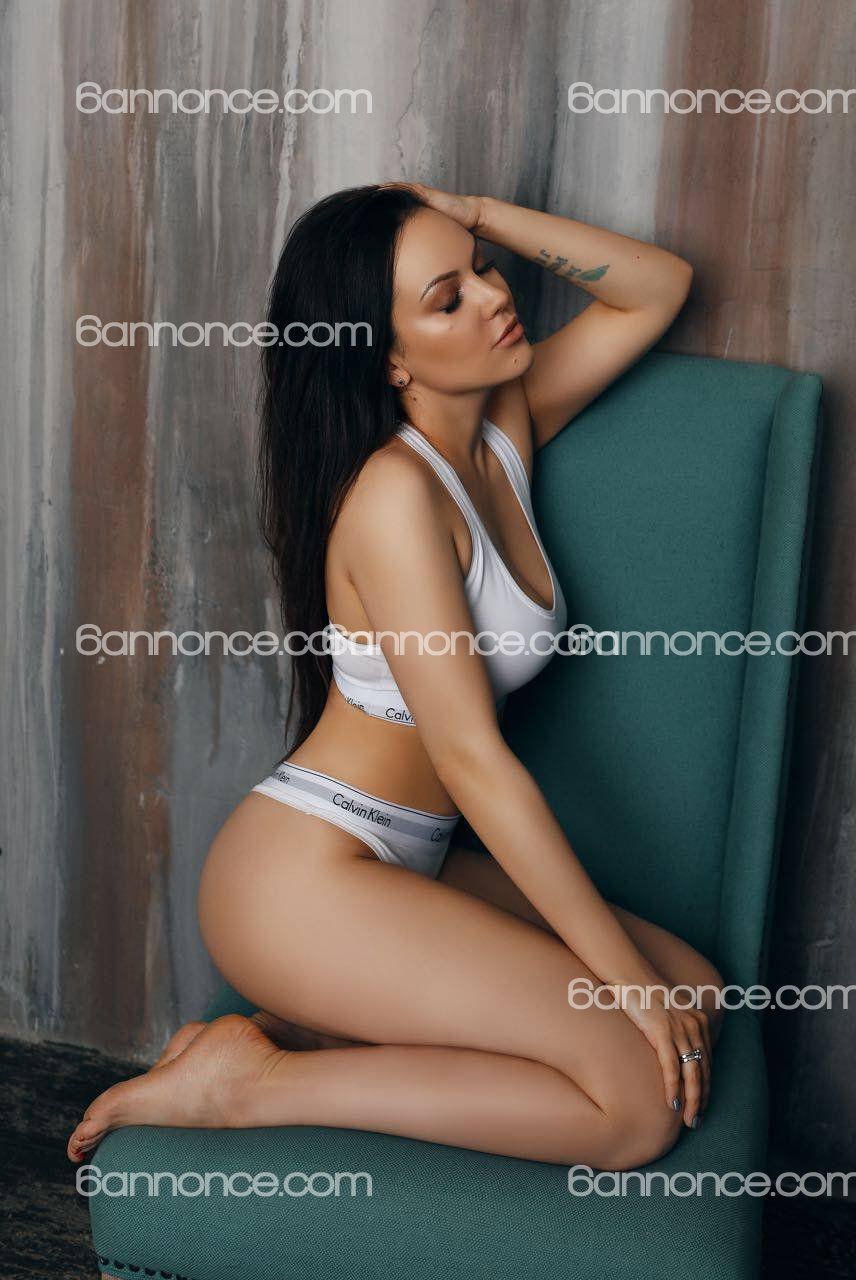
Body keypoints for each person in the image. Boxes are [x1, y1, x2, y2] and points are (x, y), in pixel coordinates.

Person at [67, 182, 723, 1170]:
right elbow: (469, 758)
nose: (495, 298)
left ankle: (315, 1027)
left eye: (484, 271)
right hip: (302, 878)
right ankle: (249, 1083)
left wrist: (473, 211)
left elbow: (657, 287)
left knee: (698, 991)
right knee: (638, 1107)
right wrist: (619, 979)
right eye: (447, 299)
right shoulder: (393, 495)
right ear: (389, 357)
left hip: (409, 857)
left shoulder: (501, 428)